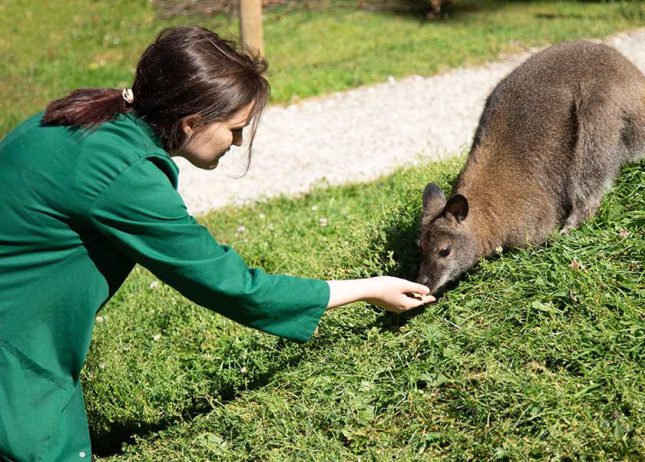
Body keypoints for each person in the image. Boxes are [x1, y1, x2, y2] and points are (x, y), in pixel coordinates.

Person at [0, 25, 435, 461]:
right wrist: (370, 288)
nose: (239, 141)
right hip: (15, 360)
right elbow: (232, 285)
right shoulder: (124, 174)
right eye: (235, 128)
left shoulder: (75, 117)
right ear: (191, 122)